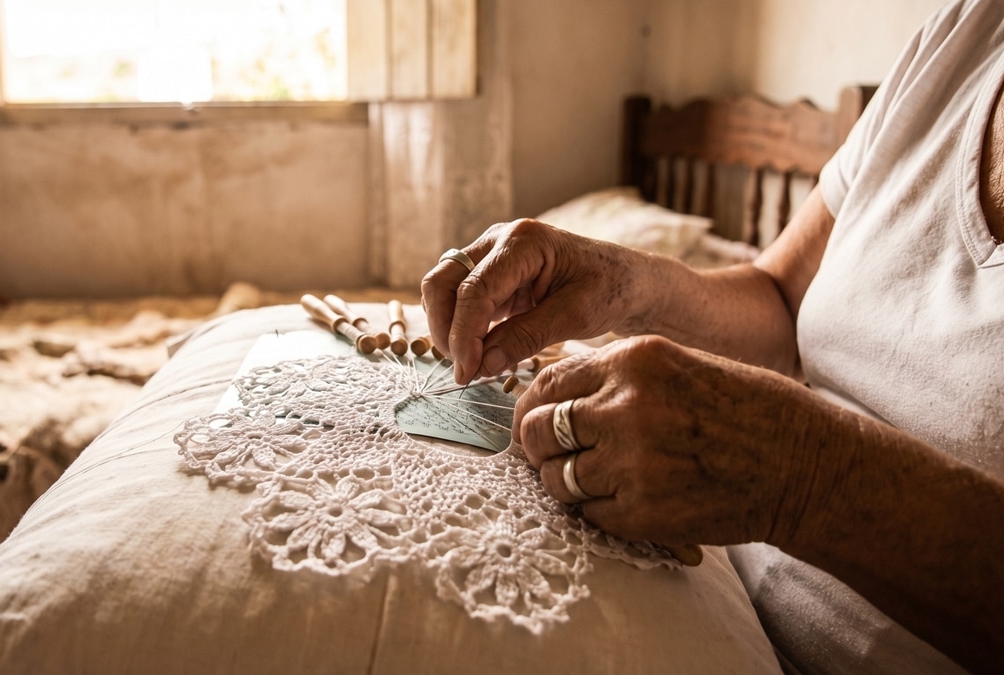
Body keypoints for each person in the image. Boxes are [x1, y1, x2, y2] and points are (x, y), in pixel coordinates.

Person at [420, 0, 1004, 671]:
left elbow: (803, 464)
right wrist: (623, 282)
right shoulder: (964, 33)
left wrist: (805, 476)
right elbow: (784, 296)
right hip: (719, 600)